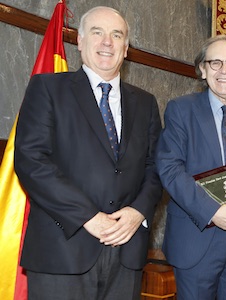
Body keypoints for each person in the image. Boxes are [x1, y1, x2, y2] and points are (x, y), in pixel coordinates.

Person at [14, 6, 162, 299]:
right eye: (97, 32)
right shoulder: (48, 88)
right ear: (79, 41)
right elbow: (31, 160)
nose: (107, 42)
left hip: (127, 252)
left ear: (126, 47)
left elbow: (156, 165)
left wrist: (137, 212)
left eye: (116, 35)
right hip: (62, 250)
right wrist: (88, 217)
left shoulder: (146, 103)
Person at [156, 35, 226, 299]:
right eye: (215, 63)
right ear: (202, 70)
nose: (224, 71)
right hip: (198, 236)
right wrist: (212, 211)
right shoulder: (181, 110)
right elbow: (170, 168)